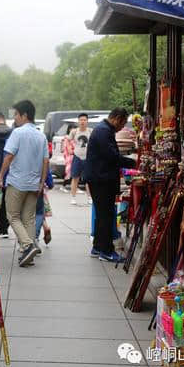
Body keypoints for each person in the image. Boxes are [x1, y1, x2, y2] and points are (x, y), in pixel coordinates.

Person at [0, 100, 48, 267]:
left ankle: (27, 245)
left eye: (16, 115)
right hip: (34, 184)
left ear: (24, 115)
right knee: (29, 218)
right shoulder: (41, 136)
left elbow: (9, 156)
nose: (15, 118)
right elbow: (45, 161)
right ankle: (29, 255)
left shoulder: (18, 133)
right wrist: (42, 182)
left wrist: (0, 176)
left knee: (12, 216)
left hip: (17, 182)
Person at [84, 108, 136, 263]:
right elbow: (112, 156)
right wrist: (132, 162)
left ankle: (98, 246)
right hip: (101, 180)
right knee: (106, 215)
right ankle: (106, 251)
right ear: (117, 119)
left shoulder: (104, 130)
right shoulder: (103, 132)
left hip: (100, 178)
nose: (122, 127)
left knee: (103, 215)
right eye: (123, 123)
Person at [69, 113, 92, 205]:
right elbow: (68, 141)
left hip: (88, 157)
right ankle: (73, 197)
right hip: (77, 156)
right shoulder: (74, 131)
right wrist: (70, 149)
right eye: (81, 120)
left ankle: (90, 197)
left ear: (87, 121)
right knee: (75, 178)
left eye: (84, 120)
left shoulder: (91, 131)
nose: (82, 122)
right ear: (78, 121)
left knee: (89, 179)